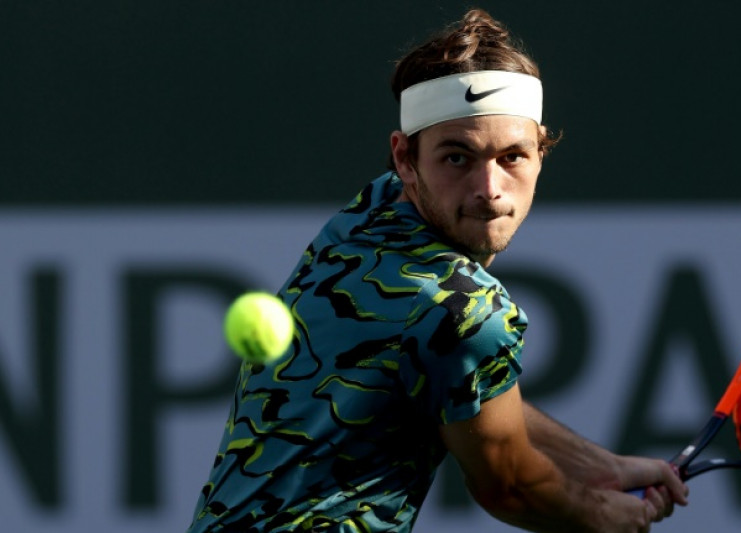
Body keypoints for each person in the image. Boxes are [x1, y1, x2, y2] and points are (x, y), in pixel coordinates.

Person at [186, 8, 688, 533]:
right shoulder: (465, 310)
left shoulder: (368, 217)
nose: (489, 189)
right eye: (457, 158)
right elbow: (509, 485)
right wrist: (606, 514)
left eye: (512, 157)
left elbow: (465, 389)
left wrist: (601, 469)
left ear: (542, 151)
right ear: (405, 158)